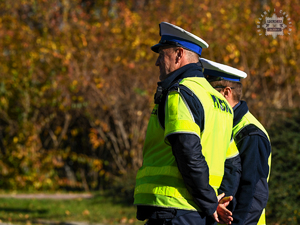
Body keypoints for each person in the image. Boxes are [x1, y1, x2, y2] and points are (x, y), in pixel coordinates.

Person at [134, 22, 235, 225]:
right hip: (203, 213)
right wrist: (218, 203)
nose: (157, 62)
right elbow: (233, 163)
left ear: (179, 55)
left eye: (161, 54)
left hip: (175, 212)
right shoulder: (221, 102)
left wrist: (210, 203)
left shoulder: (180, 93)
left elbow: (188, 155)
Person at [200, 58, 272, 225]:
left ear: (226, 92)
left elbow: (254, 192)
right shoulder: (223, 123)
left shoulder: (250, 133)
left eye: (211, 91)